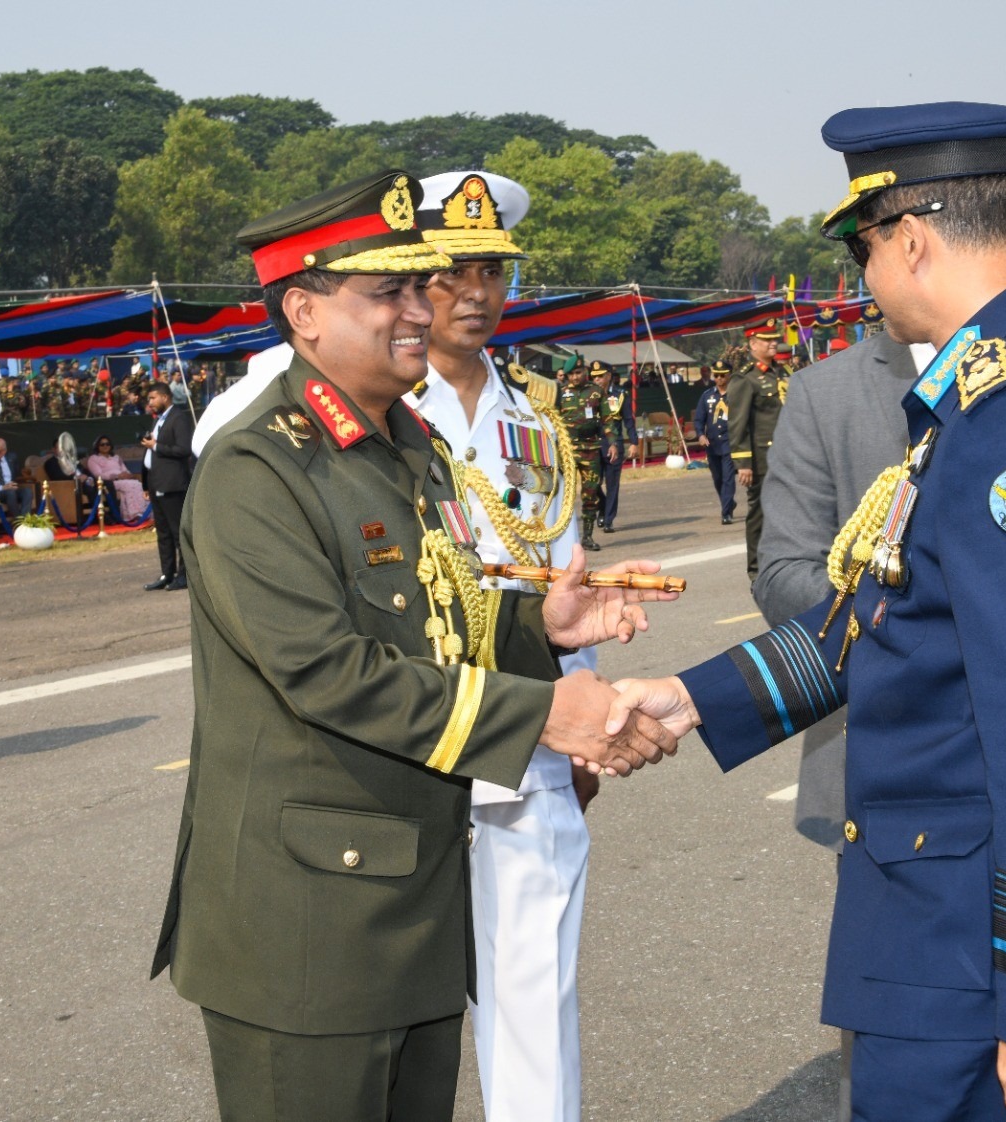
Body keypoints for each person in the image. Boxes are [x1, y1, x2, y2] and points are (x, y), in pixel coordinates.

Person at [608, 101, 1006, 1122]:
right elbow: (894, 612)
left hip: (972, 951)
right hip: (966, 932)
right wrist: (690, 700)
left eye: (862, 251)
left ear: (909, 239)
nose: (864, 280)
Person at [150, 169, 678, 1122]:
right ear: (304, 312)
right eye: (388, 290)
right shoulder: (258, 465)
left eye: (414, 288)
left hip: (412, 898)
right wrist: (550, 715)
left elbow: (436, 615)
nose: (417, 310)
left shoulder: (408, 448)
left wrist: (538, 630)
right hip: (308, 925)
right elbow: (328, 673)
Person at [407, 169, 597, 1122]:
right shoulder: (378, 406)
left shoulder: (535, 410)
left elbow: (568, 574)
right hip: (412, 742)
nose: (475, 294)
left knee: (536, 1004)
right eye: (450, 274)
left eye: (492, 272)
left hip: (529, 747)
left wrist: (587, 717)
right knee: (400, 1015)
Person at [750, 328, 925, 1121]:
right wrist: (928, 623)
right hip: (881, 753)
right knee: (896, 1039)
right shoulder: (826, 392)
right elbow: (784, 571)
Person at [727, 318, 788, 579]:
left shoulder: (781, 374)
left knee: (788, 511)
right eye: (767, 339)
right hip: (762, 459)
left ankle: (782, 561)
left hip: (788, 456)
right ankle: (756, 568)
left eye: (775, 338)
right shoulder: (746, 379)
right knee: (759, 514)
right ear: (753, 344)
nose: (773, 342)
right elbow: (738, 424)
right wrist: (744, 463)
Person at [140, 382, 194, 591]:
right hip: (156, 482)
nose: (150, 403)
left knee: (177, 531)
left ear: (165, 397)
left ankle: (184, 575)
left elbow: (183, 449)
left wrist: (157, 446)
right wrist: (146, 483)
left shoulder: (178, 418)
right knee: (162, 532)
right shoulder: (160, 420)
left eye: (153, 398)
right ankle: (167, 573)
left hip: (172, 484)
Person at [557, 358, 613, 550]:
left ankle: (587, 537)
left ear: (584, 372)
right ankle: (563, 540)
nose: (575, 377)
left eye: (578, 372)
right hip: (567, 452)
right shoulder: (561, 393)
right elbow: (552, 420)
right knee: (564, 496)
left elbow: (608, 420)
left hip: (590, 451)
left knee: (591, 494)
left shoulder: (596, 392)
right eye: (571, 374)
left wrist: (612, 444)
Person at [691, 360, 738, 523]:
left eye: (722, 375)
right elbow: (699, 419)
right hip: (712, 445)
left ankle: (726, 514)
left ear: (729, 375)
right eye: (716, 375)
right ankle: (729, 502)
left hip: (730, 442)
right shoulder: (707, 395)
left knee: (728, 478)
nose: (719, 378)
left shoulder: (736, 395)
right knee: (717, 478)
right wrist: (700, 435)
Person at [593, 363, 635, 532]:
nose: (597, 379)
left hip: (613, 445)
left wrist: (634, 442)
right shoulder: (588, 395)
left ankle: (608, 519)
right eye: (594, 376)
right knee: (592, 482)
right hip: (594, 445)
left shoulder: (620, 395)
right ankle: (602, 506)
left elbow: (629, 420)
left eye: (600, 376)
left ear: (609, 376)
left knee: (612, 484)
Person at [85, 435, 146, 523]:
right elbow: (98, 475)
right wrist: (117, 476)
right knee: (131, 485)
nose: (105, 446)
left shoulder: (116, 458)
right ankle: (135, 513)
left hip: (123, 479)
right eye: (102, 444)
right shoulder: (93, 459)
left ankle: (139, 513)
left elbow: (125, 470)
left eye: (107, 444)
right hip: (109, 482)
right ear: (97, 446)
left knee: (138, 484)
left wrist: (127, 475)